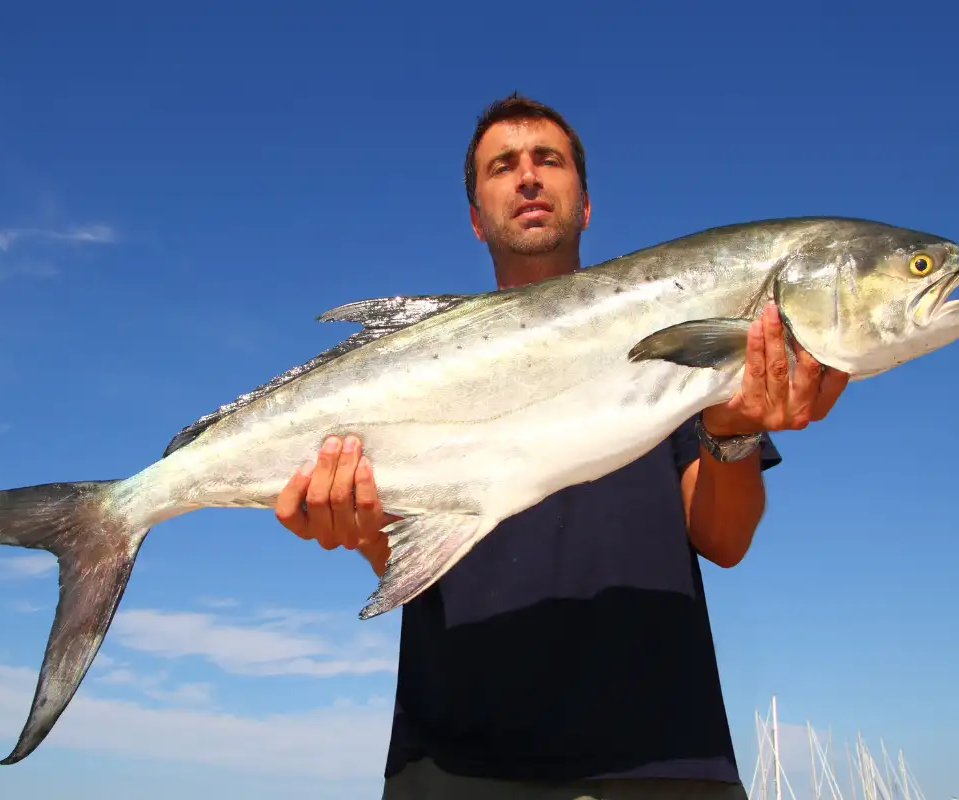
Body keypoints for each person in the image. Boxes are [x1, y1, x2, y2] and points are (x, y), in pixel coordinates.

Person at [274, 93, 850, 800]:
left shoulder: (676, 325)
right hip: (452, 764)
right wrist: (355, 527)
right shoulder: (413, 367)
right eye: (502, 166)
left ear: (584, 203)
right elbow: (402, 552)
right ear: (476, 219)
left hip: (665, 756)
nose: (527, 177)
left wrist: (731, 432)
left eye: (548, 160)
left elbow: (723, 539)